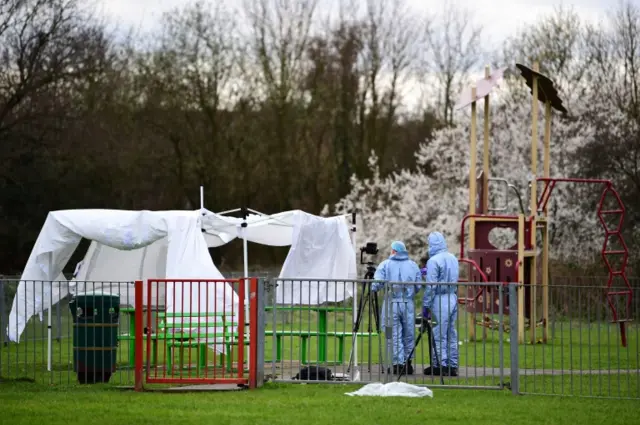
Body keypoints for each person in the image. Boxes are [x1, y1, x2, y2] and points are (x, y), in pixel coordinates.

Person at [371, 241, 422, 375]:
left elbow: (376, 285)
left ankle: (397, 364)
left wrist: (372, 285)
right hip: (407, 303)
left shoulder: (385, 265)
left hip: (391, 303)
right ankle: (408, 363)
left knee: (393, 334)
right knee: (409, 333)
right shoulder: (413, 265)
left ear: (393, 251)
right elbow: (418, 286)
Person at [422, 231, 459, 377]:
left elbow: (431, 286)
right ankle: (452, 364)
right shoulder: (453, 258)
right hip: (452, 297)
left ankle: (439, 365)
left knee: (438, 333)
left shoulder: (433, 260)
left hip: (439, 299)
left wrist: (426, 305)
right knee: (451, 333)